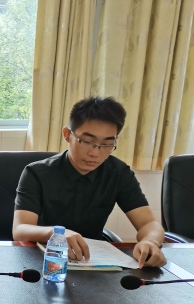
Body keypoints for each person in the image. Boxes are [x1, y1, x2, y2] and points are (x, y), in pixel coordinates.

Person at [12, 96, 166, 268]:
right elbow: (20, 229)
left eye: (107, 144)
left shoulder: (118, 173)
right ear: (67, 134)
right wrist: (57, 234)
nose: (95, 153)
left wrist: (150, 241)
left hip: (93, 262)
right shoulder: (36, 173)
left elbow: (148, 223)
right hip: (43, 259)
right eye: (87, 141)